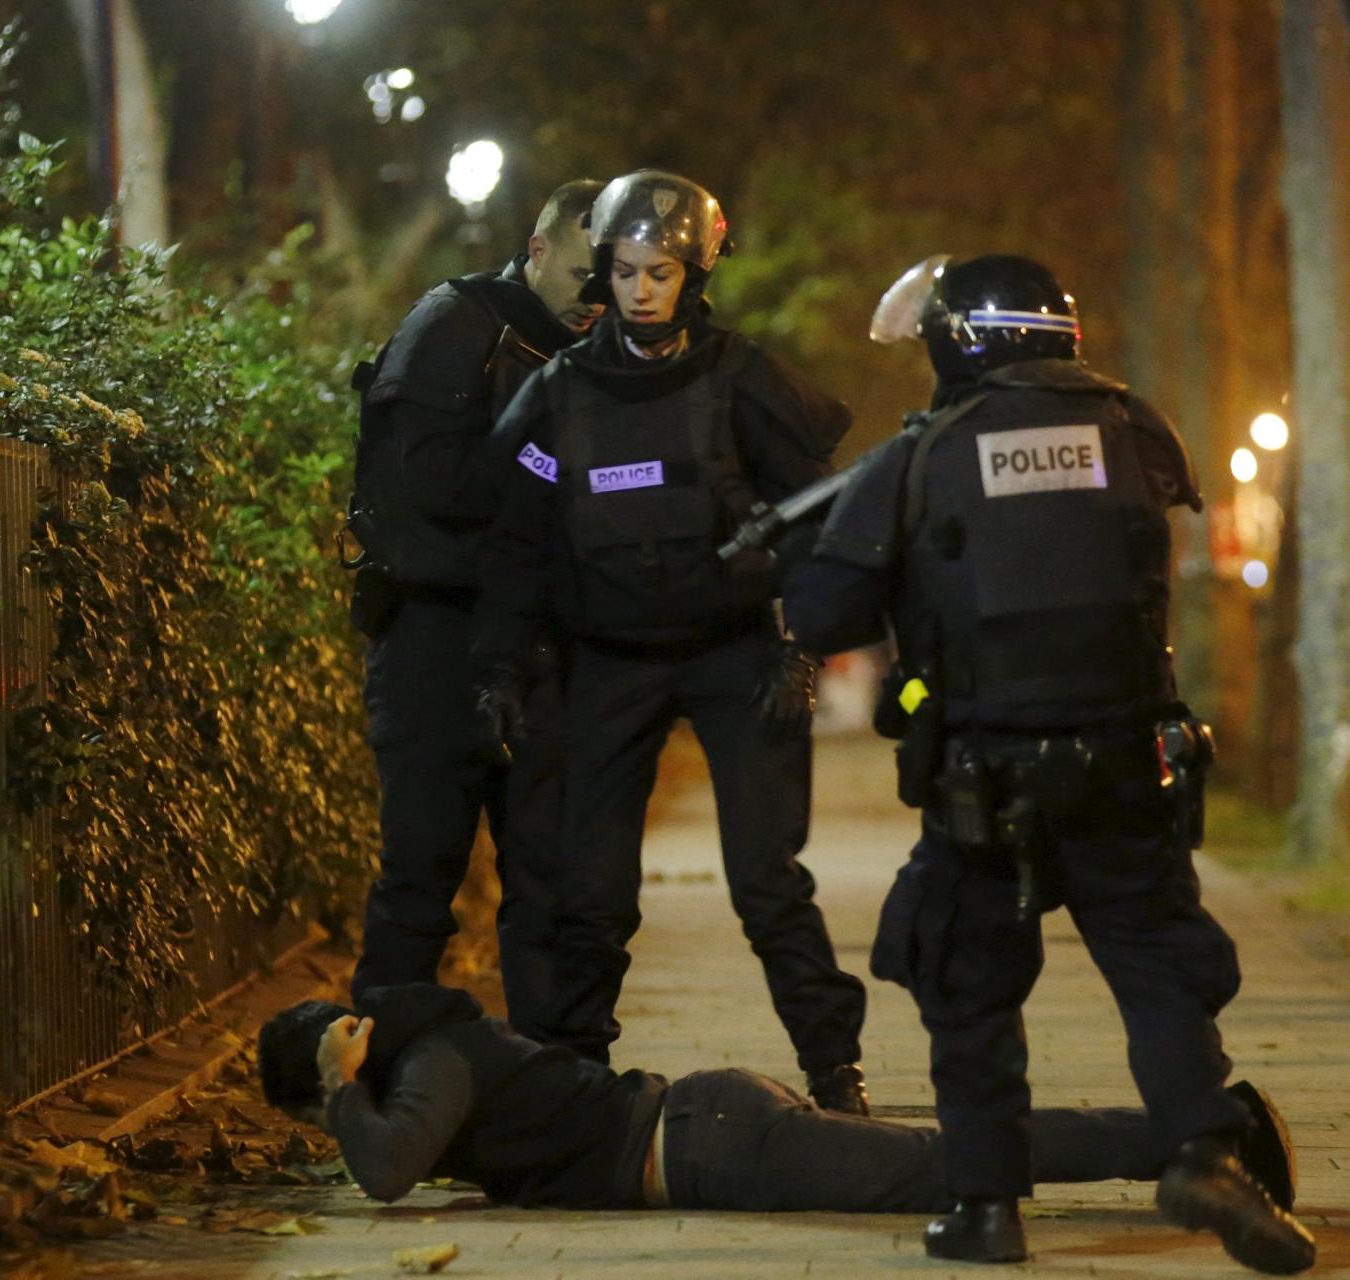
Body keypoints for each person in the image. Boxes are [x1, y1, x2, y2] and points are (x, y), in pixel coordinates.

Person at [777, 254, 1315, 1273]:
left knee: (967, 982)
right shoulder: (1133, 425)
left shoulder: (922, 452)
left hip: (984, 778)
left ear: (952, 340)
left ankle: (984, 1208)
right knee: (1159, 965)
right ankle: (1202, 1147)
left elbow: (821, 614)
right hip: (1125, 763)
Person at [472, 169, 869, 1113]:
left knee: (768, 883)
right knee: (592, 891)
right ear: (604, 270)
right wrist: (500, 664)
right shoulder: (558, 395)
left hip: (735, 654)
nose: (641, 289)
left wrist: (802, 645)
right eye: (625, 270)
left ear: (695, 274)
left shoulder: (743, 379)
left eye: (661, 271)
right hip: (610, 658)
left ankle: (833, 1071)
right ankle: (572, 1077)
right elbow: (518, 538)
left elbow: (818, 522)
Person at [256, 985, 1297, 1224]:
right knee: (949, 1154)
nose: (325, 1126)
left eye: (311, 1108)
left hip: (711, 1144)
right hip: (710, 1132)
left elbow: (386, 1168)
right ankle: (1194, 1126)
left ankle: (1206, 1126)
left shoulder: (432, 1059)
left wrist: (340, 1090)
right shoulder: (436, 1055)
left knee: (953, 1161)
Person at [345, 179, 604, 1039]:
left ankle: (566, 1099)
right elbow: (430, 488)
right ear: (534, 253)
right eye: (579, 274)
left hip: (547, 649)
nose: (596, 298)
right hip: (437, 638)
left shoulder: (606, 348)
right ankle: (381, 1086)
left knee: (554, 889)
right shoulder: (457, 326)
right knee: (420, 875)